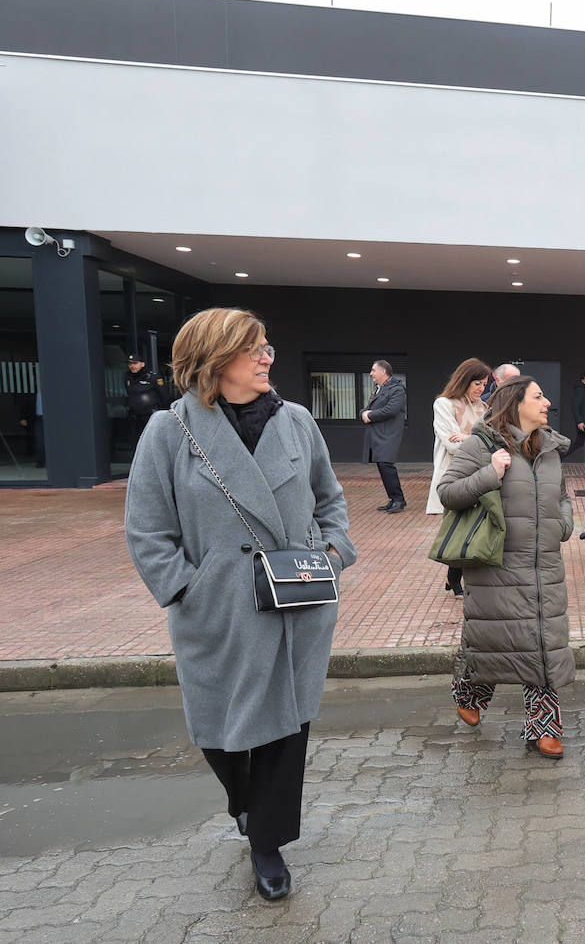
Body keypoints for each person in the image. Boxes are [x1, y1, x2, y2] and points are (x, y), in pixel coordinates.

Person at [124, 308, 355, 901]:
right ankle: (244, 803)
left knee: (286, 722)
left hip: (297, 598)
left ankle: (267, 844)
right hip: (219, 609)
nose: (267, 357)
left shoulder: (298, 422)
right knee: (218, 728)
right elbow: (148, 529)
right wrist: (187, 589)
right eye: (253, 349)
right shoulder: (170, 431)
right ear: (214, 358)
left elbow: (330, 497)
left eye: (268, 347)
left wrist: (331, 552)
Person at [438, 377, 575, 759]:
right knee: (498, 640)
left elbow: (562, 496)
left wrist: (563, 524)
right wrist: (489, 474)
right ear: (515, 403)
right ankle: (470, 692)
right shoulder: (481, 444)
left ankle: (543, 727)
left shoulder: (548, 449)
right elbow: (447, 492)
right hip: (497, 565)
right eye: (539, 396)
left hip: (544, 565)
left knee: (542, 640)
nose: (547, 402)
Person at [428, 358, 491, 598]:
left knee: (470, 525)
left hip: (479, 473)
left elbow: (489, 439)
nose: (480, 389)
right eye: (477, 383)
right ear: (464, 380)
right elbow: (450, 443)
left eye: (484, 385)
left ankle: (454, 578)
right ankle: (454, 578)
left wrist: (465, 437)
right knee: (458, 525)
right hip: (454, 475)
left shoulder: (482, 408)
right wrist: (476, 440)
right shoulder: (444, 404)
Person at [362, 359, 407, 513]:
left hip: (389, 433)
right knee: (383, 465)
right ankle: (394, 498)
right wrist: (364, 413)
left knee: (386, 465)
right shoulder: (379, 388)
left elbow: (391, 410)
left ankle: (399, 500)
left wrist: (371, 415)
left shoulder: (397, 389)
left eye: (374, 370)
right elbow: (369, 407)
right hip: (379, 434)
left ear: (383, 372)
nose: (371, 374)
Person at [125, 354, 169, 443]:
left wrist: (165, 414)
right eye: (130, 364)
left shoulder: (152, 377)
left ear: (142, 364)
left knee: (153, 442)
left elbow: (164, 396)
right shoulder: (128, 377)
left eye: (135, 363)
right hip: (135, 418)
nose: (132, 366)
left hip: (150, 417)